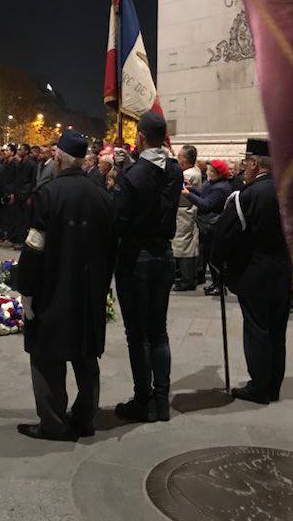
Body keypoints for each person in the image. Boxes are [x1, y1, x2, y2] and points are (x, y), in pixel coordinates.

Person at [12, 130, 116, 441]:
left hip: (53, 289)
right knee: (86, 356)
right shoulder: (102, 196)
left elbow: (35, 247)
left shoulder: (48, 194)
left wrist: (26, 290)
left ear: (58, 158)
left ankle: (54, 422)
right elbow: (111, 248)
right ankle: (85, 418)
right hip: (89, 291)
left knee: (46, 356)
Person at [112, 112, 183, 423]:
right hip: (164, 255)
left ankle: (143, 399)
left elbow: (119, 221)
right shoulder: (175, 170)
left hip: (136, 259)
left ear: (140, 136)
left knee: (137, 334)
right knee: (159, 331)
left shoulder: (132, 175)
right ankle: (162, 400)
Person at [211, 139, 293, 404]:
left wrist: (217, 262)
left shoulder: (248, 195)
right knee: (277, 330)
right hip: (283, 271)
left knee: (257, 329)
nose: (244, 166)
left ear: (255, 163)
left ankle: (259, 387)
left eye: (247, 161)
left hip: (256, 272)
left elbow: (225, 234)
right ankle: (273, 385)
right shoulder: (288, 191)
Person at [187, 158, 232, 295]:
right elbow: (204, 195)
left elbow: (206, 204)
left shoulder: (220, 188)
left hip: (213, 226)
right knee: (208, 256)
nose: (208, 173)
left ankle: (219, 285)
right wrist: (192, 189)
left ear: (219, 174)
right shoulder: (214, 183)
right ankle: (216, 283)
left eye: (212, 171)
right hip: (209, 225)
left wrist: (188, 195)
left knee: (214, 258)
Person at [172, 145, 202, 292]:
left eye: (180, 156)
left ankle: (187, 280)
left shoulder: (188, 174)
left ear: (185, 159)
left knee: (184, 247)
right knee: (186, 245)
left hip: (184, 211)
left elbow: (178, 193)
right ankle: (189, 277)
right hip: (186, 211)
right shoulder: (194, 170)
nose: (178, 158)